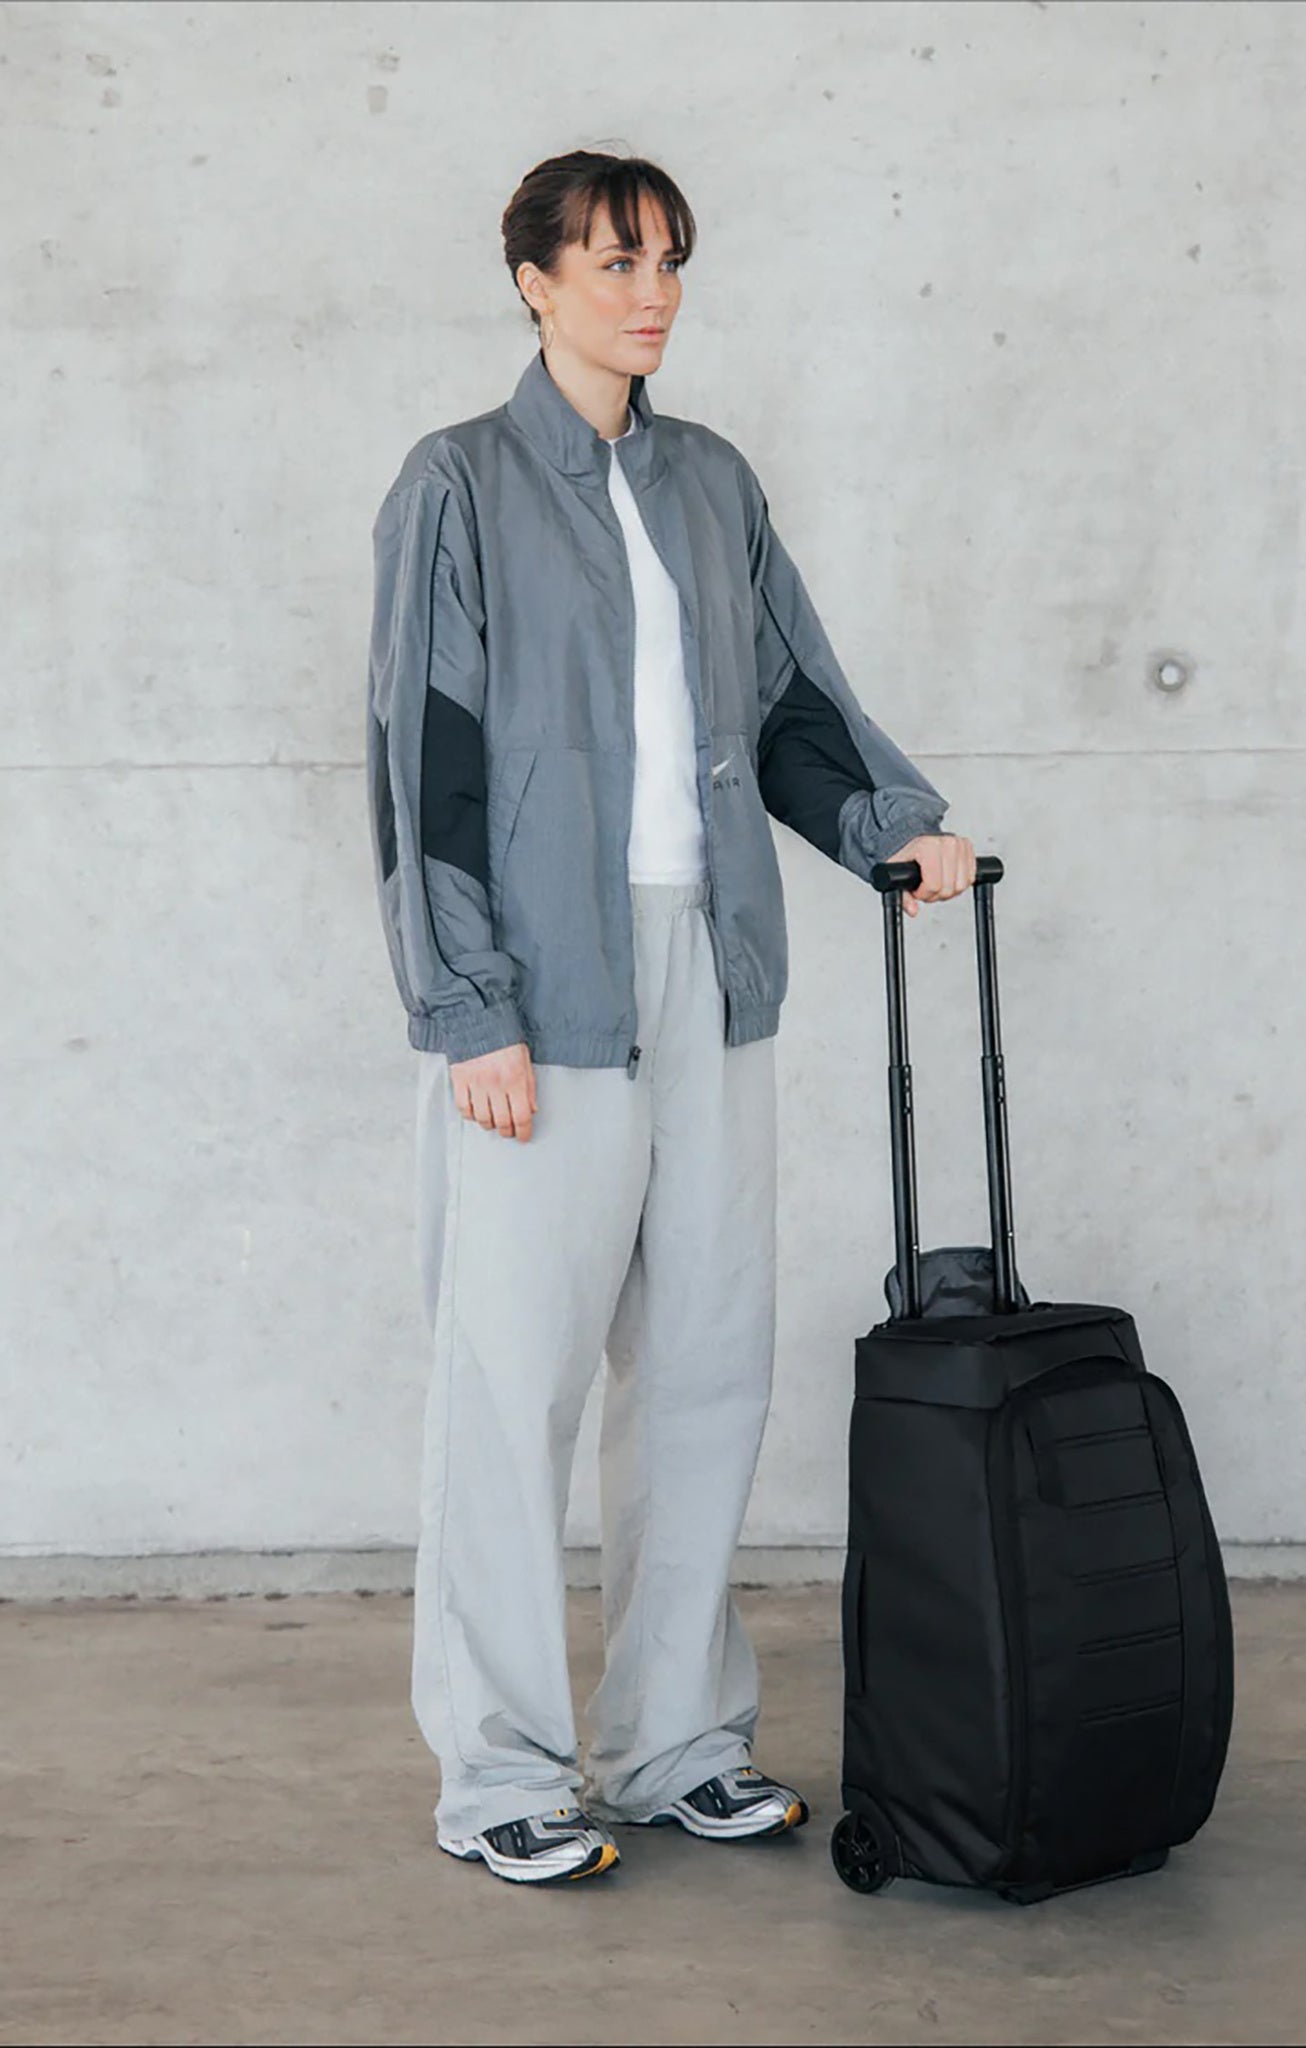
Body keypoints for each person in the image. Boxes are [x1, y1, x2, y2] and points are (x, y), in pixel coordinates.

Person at [365, 149, 977, 1887]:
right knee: (512, 1387)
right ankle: (501, 1775)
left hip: (713, 958)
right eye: (615, 262)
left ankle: (674, 1744)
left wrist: (887, 829)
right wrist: (467, 1003)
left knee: (705, 1364)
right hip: (539, 981)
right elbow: (430, 767)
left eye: (668, 263)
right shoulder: (459, 483)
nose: (652, 294)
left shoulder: (708, 481)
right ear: (534, 282)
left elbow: (788, 702)